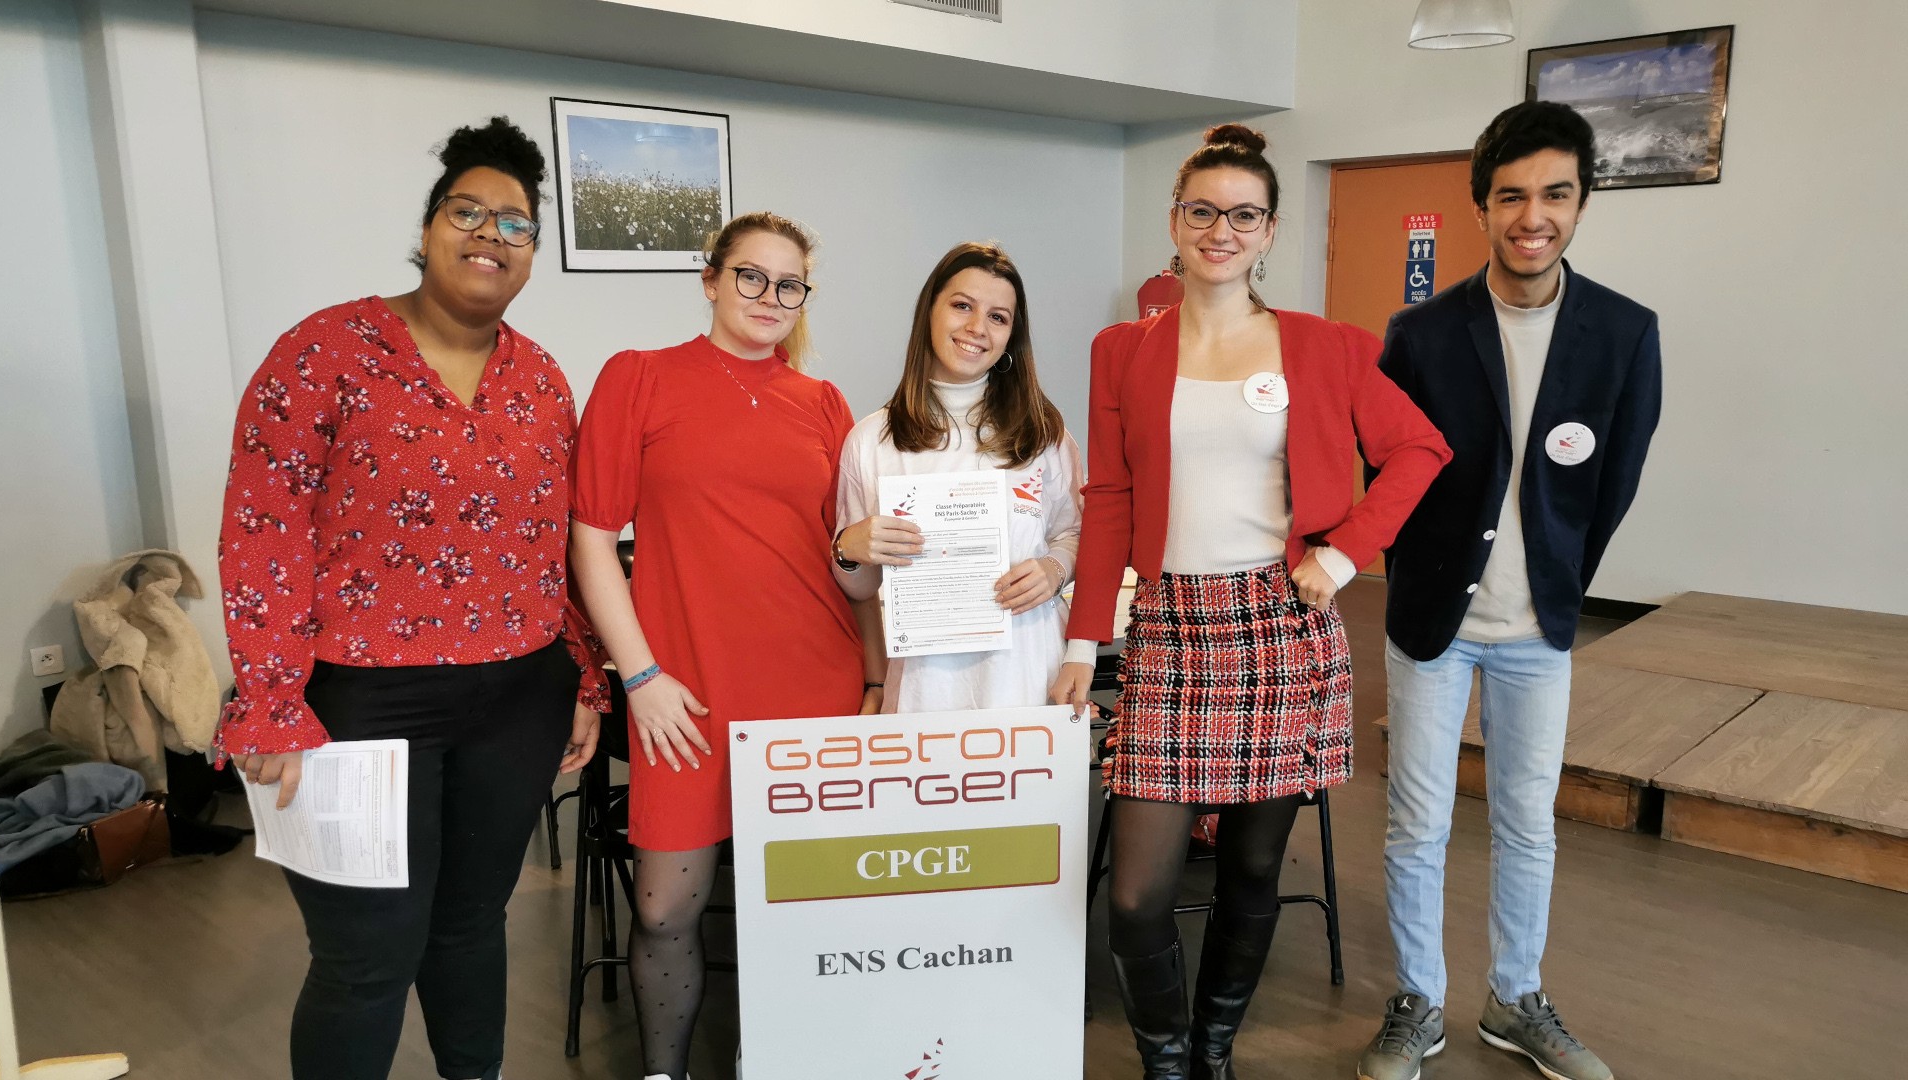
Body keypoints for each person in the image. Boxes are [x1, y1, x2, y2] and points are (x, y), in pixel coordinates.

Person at [1052, 124, 1451, 1080]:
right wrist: (1078, 639)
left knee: (1252, 870)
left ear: (1269, 230)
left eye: (1243, 215)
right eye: (1203, 211)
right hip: (1171, 626)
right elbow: (1109, 499)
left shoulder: (1327, 347)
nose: (1221, 230)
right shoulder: (1122, 350)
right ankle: (1166, 1059)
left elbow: (1421, 450)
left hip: (1281, 628)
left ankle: (1213, 1051)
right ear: (1176, 222)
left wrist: (1349, 554)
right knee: (1140, 893)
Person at [219, 117, 611, 1080]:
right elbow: (264, 530)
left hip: (518, 694)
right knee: (368, 955)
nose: (489, 234)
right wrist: (269, 699)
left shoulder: (542, 382)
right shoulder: (324, 352)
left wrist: (586, 679)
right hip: (358, 701)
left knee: (473, 926)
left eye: (515, 224)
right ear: (430, 227)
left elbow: (554, 543)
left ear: (530, 257)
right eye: (467, 211)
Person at [1355, 101, 1662, 1080]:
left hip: (1540, 632)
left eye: (1556, 194)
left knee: (1530, 823)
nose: (1534, 215)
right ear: (1483, 206)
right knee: (1416, 823)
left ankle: (1515, 998)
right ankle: (1419, 1002)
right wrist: (1417, 577)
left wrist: (1560, 581)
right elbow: (1385, 477)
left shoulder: (1623, 333)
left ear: (1581, 202)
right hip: (1433, 626)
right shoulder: (1421, 334)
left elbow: (1610, 487)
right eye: (1513, 195)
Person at [569, 211, 876, 1080]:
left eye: (789, 284)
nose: (769, 297)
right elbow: (591, 539)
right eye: (751, 276)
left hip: (814, 681)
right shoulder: (639, 378)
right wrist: (641, 677)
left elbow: (842, 560)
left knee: (806, 906)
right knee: (666, 910)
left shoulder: (822, 404)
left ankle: (779, 1062)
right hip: (684, 693)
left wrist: (877, 671)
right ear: (710, 280)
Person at [832, 241, 1085, 712]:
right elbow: (861, 590)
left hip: (1028, 676)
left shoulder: (1043, 433)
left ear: (1012, 336)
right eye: (962, 306)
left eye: (998, 317)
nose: (976, 328)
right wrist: (850, 549)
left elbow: (1075, 533)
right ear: (930, 310)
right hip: (924, 687)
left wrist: (1054, 571)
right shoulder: (871, 440)